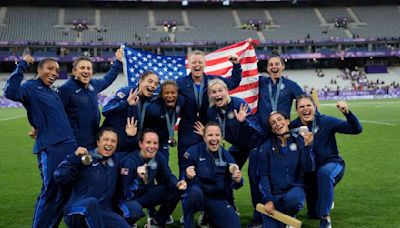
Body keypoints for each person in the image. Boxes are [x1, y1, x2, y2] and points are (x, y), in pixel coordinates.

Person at [3, 55, 77, 228]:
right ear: (39, 70)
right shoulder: (30, 87)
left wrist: (36, 125)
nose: (54, 73)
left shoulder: (53, 93)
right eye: (49, 68)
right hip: (51, 147)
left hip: (69, 145)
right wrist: (21, 65)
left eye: (57, 70)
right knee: (50, 191)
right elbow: (10, 92)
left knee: (65, 192)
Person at [291, 95, 362, 228]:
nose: (305, 109)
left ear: (314, 107)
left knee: (324, 174)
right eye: (301, 107)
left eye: (308, 106)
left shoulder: (326, 121)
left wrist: (347, 113)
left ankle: (325, 219)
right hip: (310, 173)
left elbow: (356, 129)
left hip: (331, 164)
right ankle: (325, 198)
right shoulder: (293, 127)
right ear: (297, 110)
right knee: (313, 213)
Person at [194, 79, 262, 214]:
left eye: (220, 90)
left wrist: (244, 122)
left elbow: (257, 129)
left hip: (256, 144)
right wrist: (206, 134)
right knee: (224, 171)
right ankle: (230, 206)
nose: (217, 94)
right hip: (238, 146)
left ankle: (259, 216)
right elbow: (216, 132)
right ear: (210, 95)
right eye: (214, 92)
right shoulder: (212, 111)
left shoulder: (239, 104)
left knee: (255, 176)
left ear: (226, 91)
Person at [250, 54, 304, 227]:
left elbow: (304, 102)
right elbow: (243, 77)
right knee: (254, 173)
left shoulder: (290, 85)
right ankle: (258, 213)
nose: (273, 67)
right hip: (262, 136)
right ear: (267, 68)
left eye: (277, 64)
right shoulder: (261, 83)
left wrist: (294, 125)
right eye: (270, 64)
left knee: (284, 171)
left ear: (282, 67)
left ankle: (287, 206)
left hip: (283, 135)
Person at [176, 50, 242, 177]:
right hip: (187, 130)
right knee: (185, 162)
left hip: (208, 129)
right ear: (188, 64)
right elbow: (165, 92)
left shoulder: (213, 80)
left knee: (209, 163)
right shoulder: (181, 83)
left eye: (200, 62)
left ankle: (209, 193)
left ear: (205, 64)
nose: (197, 65)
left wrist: (236, 65)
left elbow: (233, 82)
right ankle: (185, 193)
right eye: (193, 62)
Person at [53, 127, 130, 228]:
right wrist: (74, 157)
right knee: (91, 203)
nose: (109, 143)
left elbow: (135, 153)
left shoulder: (117, 160)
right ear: (98, 142)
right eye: (106, 139)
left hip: (101, 212)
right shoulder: (85, 158)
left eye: (113, 141)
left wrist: (131, 137)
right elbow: (59, 177)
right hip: (76, 209)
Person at [118, 129, 186, 227]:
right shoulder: (128, 162)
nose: (152, 146)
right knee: (135, 210)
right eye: (148, 142)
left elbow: (168, 175)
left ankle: (157, 222)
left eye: (155, 143)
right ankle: (128, 221)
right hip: (129, 198)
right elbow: (127, 194)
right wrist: (139, 179)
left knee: (175, 189)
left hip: (146, 193)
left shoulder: (159, 156)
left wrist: (177, 183)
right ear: (140, 144)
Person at [258, 111, 315, 228]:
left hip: (295, 190)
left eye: (279, 120)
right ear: (272, 129)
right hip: (274, 196)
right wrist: (268, 200)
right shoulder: (266, 147)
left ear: (287, 121)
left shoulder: (299, 141)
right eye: (273, 123)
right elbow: (263, 176)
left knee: (293, 200)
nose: (277, 124)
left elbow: (309, 168)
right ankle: (286, 221)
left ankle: (289, 216)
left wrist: (308, 147)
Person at [182, 122, 244, 228]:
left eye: (217, 135)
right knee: (193, 194)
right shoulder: (192, 152)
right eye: (210, 135)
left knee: (234, 226)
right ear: (204, 137)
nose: (214, 139)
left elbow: (236, 184)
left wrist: (238, 180)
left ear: (221, 137)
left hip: (216, 198)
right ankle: (188, 222)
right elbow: (182, 180)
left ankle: (210, 217)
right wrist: (186, 177)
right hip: (197, 195)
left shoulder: (227, 156)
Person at [58, 49, 123, 150]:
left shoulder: (93, 84)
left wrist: (118, 62)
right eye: (82, 68)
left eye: (89, 68)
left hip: (93, 141)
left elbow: (107, 79)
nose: (86, 71)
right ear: (74, 71)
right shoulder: (66, 89)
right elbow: (55, 113)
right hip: (76, 144)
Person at [101, 71, 159, 152]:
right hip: (112, 143)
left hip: (129, 145)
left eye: (156, 84)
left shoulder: (149, 101)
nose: (153, 85)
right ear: (140, 81)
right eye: (150, 81)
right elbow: (106, 110)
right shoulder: (127, 92)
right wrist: (126, 103)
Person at [145, 80, 184, 161]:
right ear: (161, 95)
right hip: (150, 140)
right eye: (166, 93)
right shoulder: (154, 109)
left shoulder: (181, 100)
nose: (170, 95)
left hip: (164, 139)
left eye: (173, 92)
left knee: (164, 164)